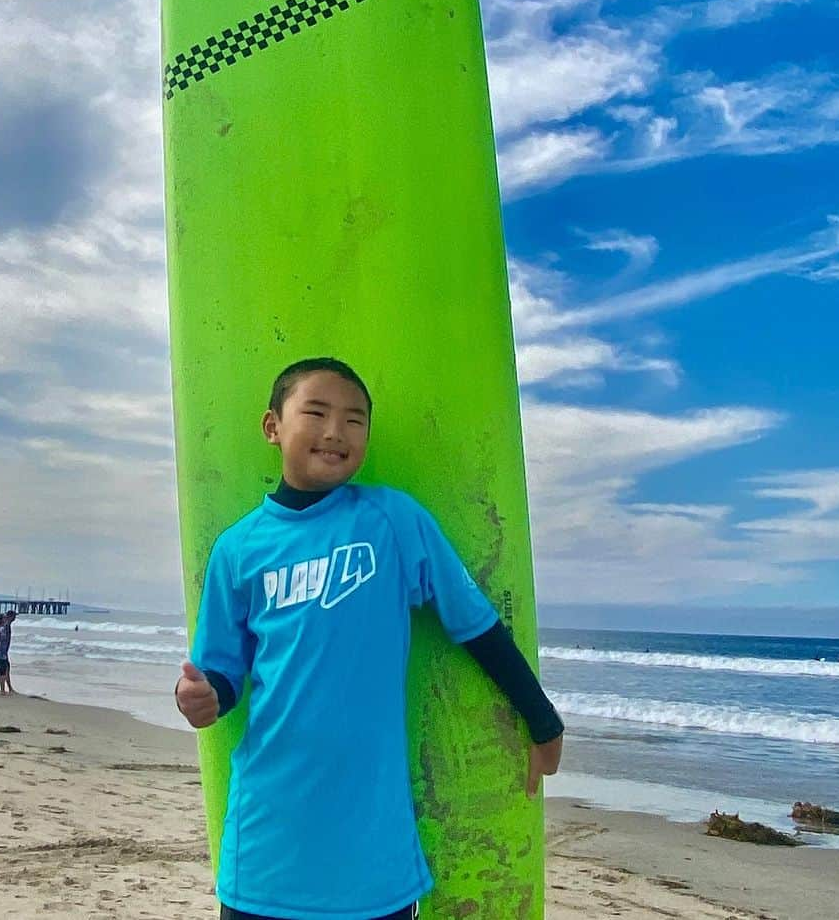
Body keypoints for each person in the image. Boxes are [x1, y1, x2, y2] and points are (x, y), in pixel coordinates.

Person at [175, 357, 564, 920]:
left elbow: (475, 625)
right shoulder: (238, 549)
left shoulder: (392, 519)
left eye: (355, 420)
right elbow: (221, 674)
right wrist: (202, 697)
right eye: (316, 412)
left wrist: (542, 719)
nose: (336, 431)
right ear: (272, 427)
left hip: (372, 855)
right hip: (266, 842)